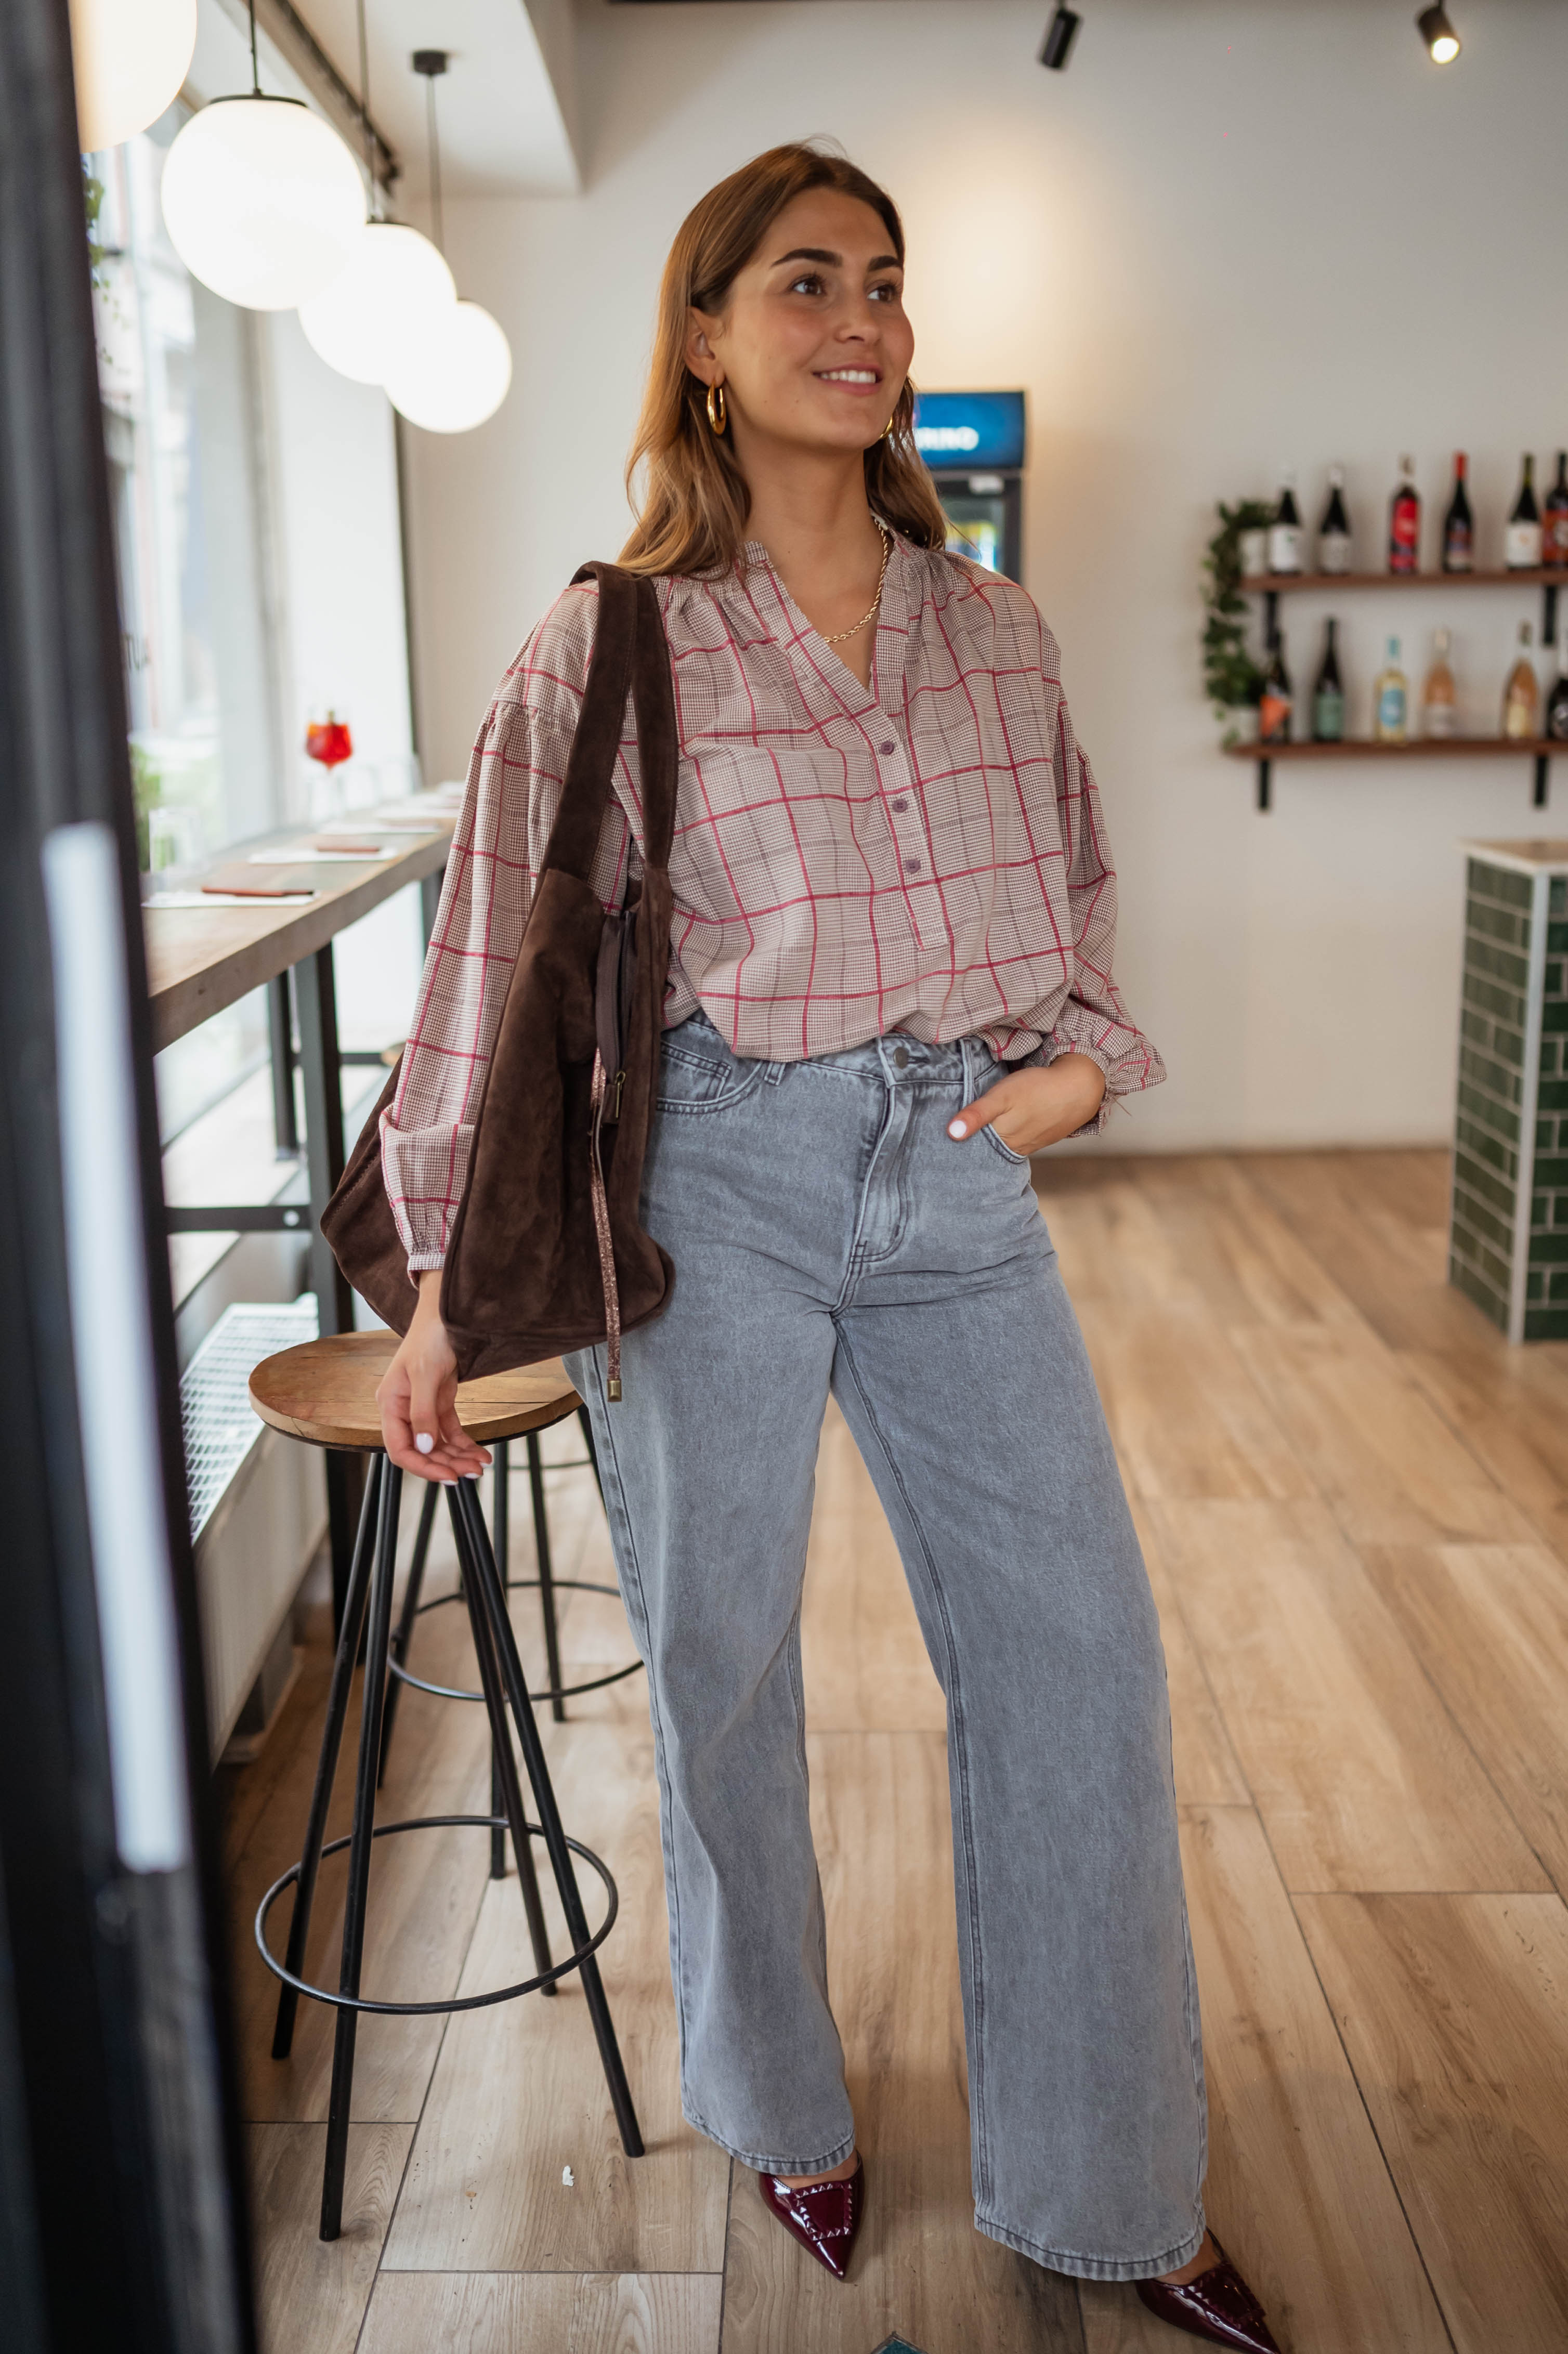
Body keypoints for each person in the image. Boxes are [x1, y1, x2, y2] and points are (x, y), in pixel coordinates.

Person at [375, 142, 1277, 2351]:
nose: (859, 320)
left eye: (884, 282)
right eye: (803, 283)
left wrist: (1077, 1066)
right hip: (719, 1188)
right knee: (725, 1664)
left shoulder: (990, 627)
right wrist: (430, 1282)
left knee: (1078, 1661)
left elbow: (1071, 892)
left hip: (955, 1171)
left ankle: (1108, 2175)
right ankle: (778, 2090)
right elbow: (491, 964)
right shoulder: (612, 643)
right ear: (702, 338)